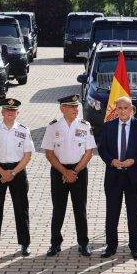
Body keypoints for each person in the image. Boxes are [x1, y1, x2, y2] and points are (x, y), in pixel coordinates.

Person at [97, 96, 137, 259]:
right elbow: (102, 149)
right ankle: (111, 246)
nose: (122, 111)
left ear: (131, 109)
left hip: (134, 177)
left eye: (125, 108)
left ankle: (134, 247)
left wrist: (133, 161)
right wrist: (111, 161)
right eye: (119, 108)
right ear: (116, 110)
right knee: (112, 213)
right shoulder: (108, 126)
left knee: (134, 214)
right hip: (113, 177)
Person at [41, 94, 96, 257]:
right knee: (58, 209)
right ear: (62, 108)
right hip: (59, 171)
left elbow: (89, 152)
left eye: (76, 106)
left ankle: (83, 244)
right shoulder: (53, 127)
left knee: (80, 209)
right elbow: (49, 153)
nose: (75, 109)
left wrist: (75, 171)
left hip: (79, 171)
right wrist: (65, 172)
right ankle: (55, 244)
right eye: (72, 107)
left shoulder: (85, 125)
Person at [0, 98, 34, 257]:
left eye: (14, 111)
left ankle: (25, 244)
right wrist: (2, 172)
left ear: (17, 112)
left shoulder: (24, 130)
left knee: (21, 208)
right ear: (2, 112)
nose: (10, 113)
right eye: (8, 110)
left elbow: (27, 156)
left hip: (17, 171)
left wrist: (12, 173)